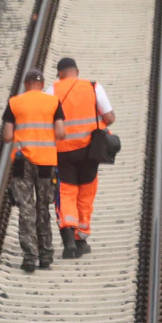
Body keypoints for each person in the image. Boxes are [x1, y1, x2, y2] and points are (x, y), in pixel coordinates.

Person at [2, 68, 65, 273]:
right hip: (46, 161)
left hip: (23, 162)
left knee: (26, 208)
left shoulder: (14, 103)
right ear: (42, 83)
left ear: (25, 84)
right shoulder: (53, 102)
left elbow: (7, 137)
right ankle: (46, 255)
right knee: (43, 209)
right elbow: (61, 132)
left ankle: (30, 256)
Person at [52, 56, 114, 260]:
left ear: (60, 74)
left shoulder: (52, 91)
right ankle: (81, 239)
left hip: (63, 151)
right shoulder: (93, 87)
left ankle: (68, 238)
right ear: (76, 72)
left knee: (67, 192)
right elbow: (109, 118)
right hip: (90, 151)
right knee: (86, 193)